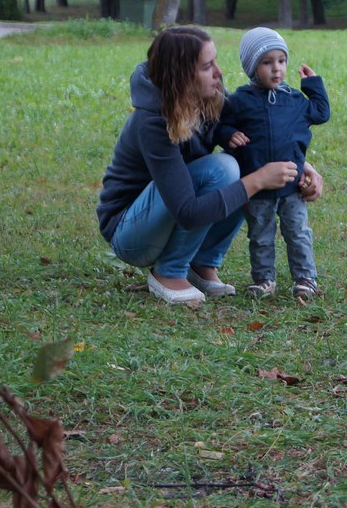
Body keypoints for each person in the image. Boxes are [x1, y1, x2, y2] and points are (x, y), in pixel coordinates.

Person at [96, 27, 323, 306]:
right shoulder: (152, 122)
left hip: (170, 211)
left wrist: (299, 166)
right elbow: (188, 212)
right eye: (207, 66)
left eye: (215, 61)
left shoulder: (209, 97)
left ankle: (201, 263)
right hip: (131, 232)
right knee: (226, 169)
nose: (219, 72)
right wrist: (258, 180)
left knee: (236, 165)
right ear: (182, 76)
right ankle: (169, 271)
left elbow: (256, 136)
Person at [216, 28, 331, 299]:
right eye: (267, 62)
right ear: (252, 67)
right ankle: (264, 279)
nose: (276, 69)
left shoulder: (293, 100)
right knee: (260, 236)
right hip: (258, 188)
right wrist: (228, 134)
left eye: (281, 61)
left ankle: (305, 278)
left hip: (292, 186)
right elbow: (219, 125)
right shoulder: (240, 101)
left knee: (298, 233)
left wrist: (313, 84)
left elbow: (321, 113)